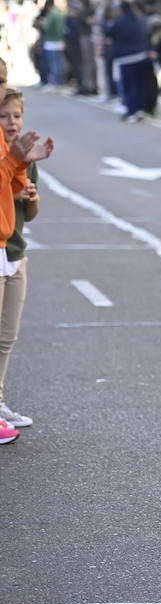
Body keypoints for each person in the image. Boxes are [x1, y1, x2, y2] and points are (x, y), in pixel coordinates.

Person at [0, 87, 38, 432]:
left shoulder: (24, 153)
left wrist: (31, 196)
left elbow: (32, 212)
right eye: (5, 115)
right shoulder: (6, 156)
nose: (12, 122)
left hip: (15, 251)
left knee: (7, 336)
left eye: (17, 115)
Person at [105, 0, 153, 123]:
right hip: (141, 55)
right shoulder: (139, 20)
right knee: (140, 85)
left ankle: (131, 111)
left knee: (129, 85)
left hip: (126, 58)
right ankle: (139, 110)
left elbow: (108, 33)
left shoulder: (119, 22)